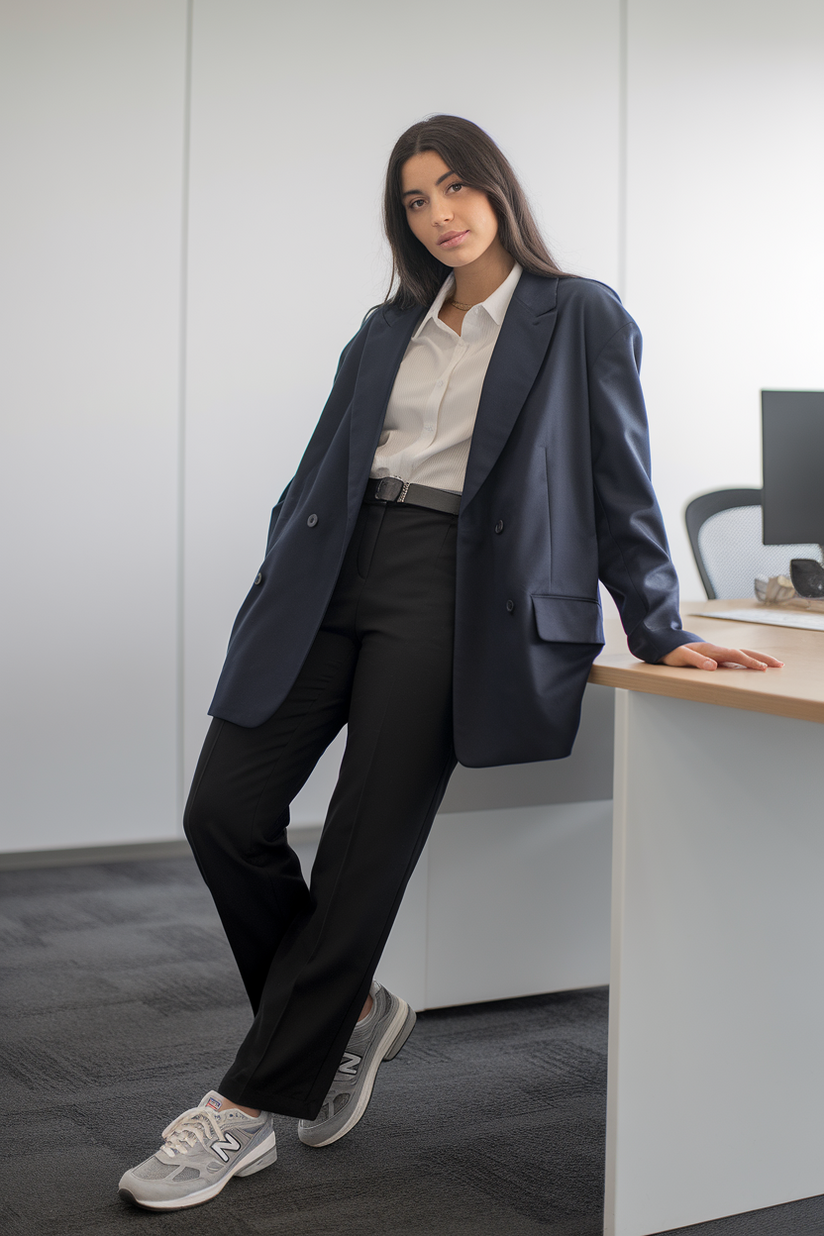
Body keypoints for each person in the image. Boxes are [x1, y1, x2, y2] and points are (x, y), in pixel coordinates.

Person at [118, 115, 782, 1211]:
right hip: (331, 571)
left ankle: (243, 1111)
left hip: (457, 585)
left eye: (455, 188)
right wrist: (276, 584)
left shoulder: (579, 316)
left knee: (361, 851)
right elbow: (314, 471)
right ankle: (349, 1015)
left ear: (498, 190)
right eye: (416, 201)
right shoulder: (384, 330)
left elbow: (620, 481)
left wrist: (658, 626)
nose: (439, 215)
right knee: (221, 811)